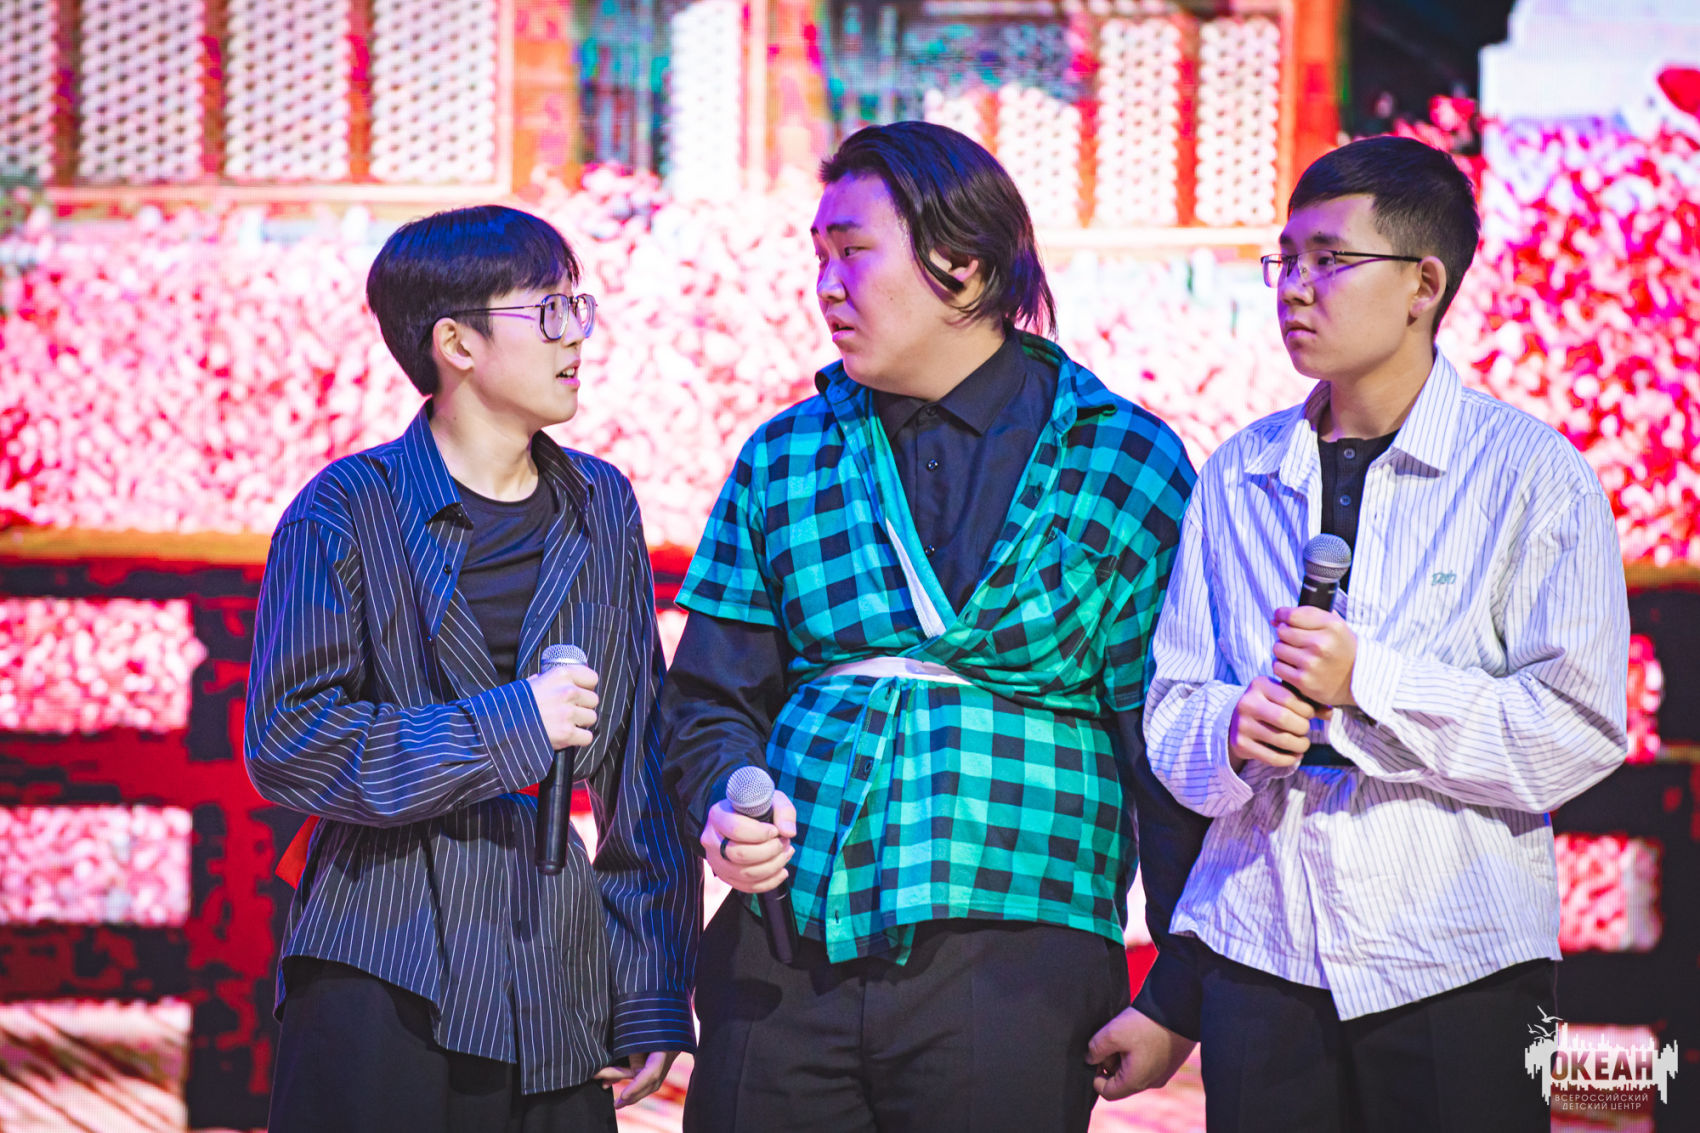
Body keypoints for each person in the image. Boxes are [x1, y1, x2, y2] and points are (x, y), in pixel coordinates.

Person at [661, 121, 1200, 1131]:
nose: (826, 286)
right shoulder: (786, 455)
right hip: (789, 941)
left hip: (1019, 946)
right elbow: (707, 698)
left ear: (962, 263)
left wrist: (1177, 986)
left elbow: (1165, 739)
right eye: (818, 256)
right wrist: (728, 793)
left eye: (853, 252)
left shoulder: (1121, 460)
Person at [1141, 135, 1630, 1131]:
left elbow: (1576, 730)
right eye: (1286, 258)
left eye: (1329, 259)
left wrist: (1371, 679)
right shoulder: (1236, 473)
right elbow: (1171, 708)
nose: (1294, 287)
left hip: (1455, 956)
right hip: (1260, 947)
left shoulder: (1529, 474)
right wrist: (1230, 730)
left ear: (1422, 284)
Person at [245, 205, 699, 1133]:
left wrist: (652, 982)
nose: (576, 335)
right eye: (548, 311)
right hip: (382, 953)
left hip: (552, 968)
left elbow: (640, 765)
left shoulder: (600, 505)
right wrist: (511, 726)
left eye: (579, 307)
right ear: (456, 343)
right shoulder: (346, 508)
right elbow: (288, 740)